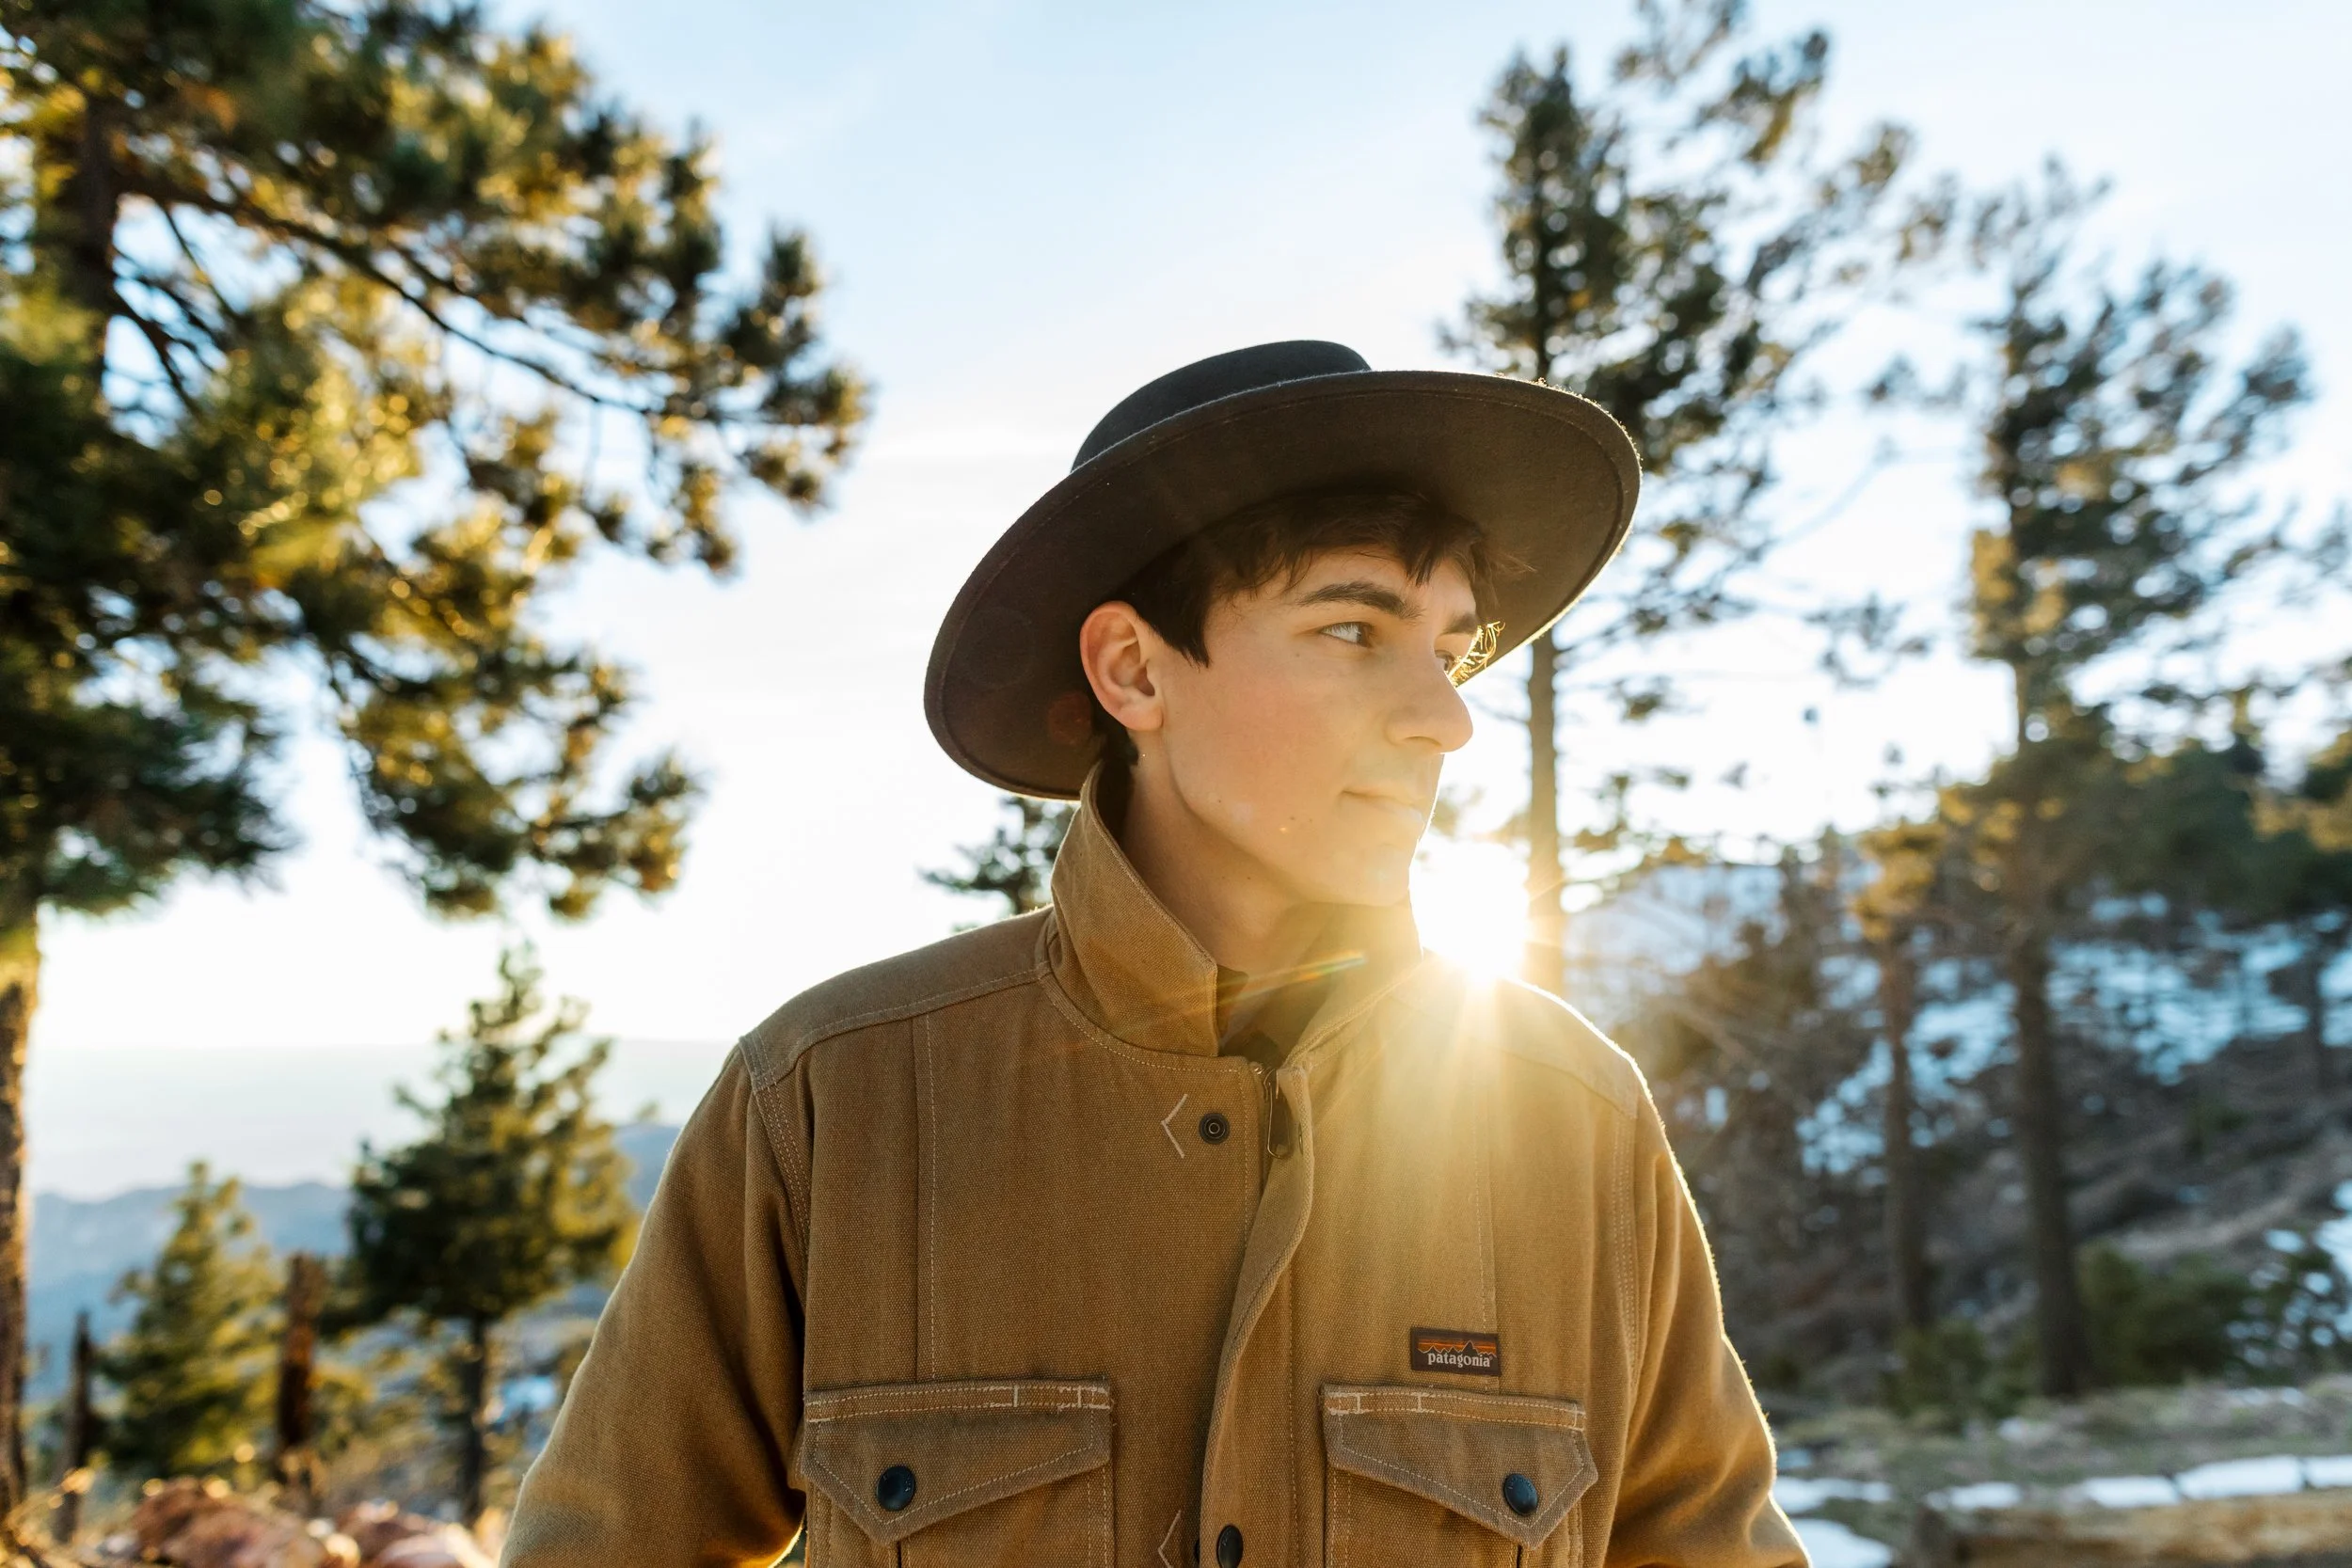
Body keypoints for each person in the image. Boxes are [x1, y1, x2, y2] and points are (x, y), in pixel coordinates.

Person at [502, 341, 1804, 1567]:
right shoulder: (831, 1104)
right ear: (1133, 668)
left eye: (1450, 646)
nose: (1444, 718)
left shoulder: (1576, 1125)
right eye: (1354, 631)